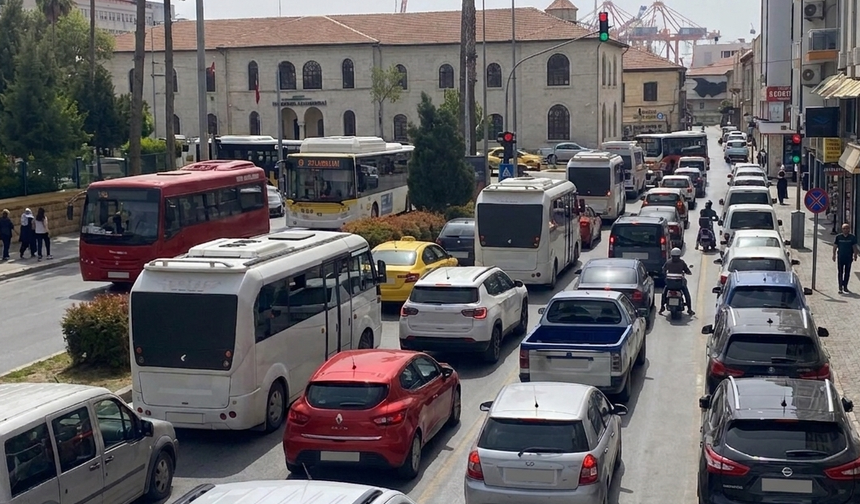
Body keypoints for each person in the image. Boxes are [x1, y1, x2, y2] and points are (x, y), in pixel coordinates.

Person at [659, 248, 695, 315]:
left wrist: (665, 275)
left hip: (669, 285)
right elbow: (687, 270)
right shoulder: (682, 262)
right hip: (679, 285)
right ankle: (689, 309)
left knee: (664, 294)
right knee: (687, 294)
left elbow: (663, 270)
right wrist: (689, 272)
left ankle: (662, 308)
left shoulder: (668, 262)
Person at [832, 223, 860, 293]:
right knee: (840, 272)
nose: (845, 230)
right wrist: (834, 255)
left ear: (849, 229)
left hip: (848, 257)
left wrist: (855, 255)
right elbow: (835, 246)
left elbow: (854, 247)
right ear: (842, 229)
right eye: (844, 228)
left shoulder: (852, 237)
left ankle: (845, 286)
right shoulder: (838, 237)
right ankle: (840, 287)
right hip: (840, 257)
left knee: (847, 272)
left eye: (847, 228)